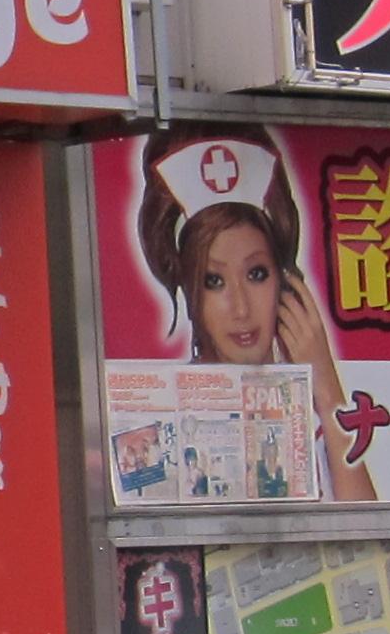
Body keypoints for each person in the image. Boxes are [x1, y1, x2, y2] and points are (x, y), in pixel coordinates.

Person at [133, 128, 375, 503]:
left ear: (284, 278)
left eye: (256, 273)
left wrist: (327, 388)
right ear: (185, 284)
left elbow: (373, 543)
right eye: (213, 280)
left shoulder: (313, 415)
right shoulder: (161, 417)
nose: (241, 308)